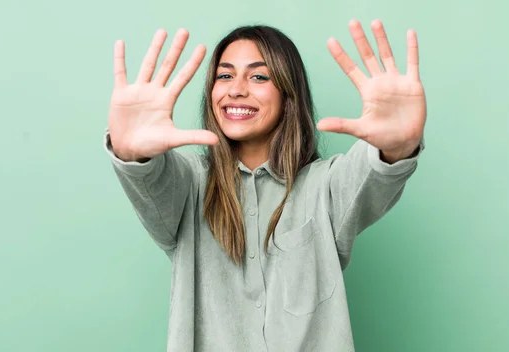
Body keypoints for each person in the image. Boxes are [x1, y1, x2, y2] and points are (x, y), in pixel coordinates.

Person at [104, 18, 426, 352]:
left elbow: (371, 176)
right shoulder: (189, 184)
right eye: (224, 75)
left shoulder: (325, 185)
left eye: (258, 76)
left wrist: (398, 146)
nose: (236, 89)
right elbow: (153, 181)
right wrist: (131, 153)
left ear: (288, 93)